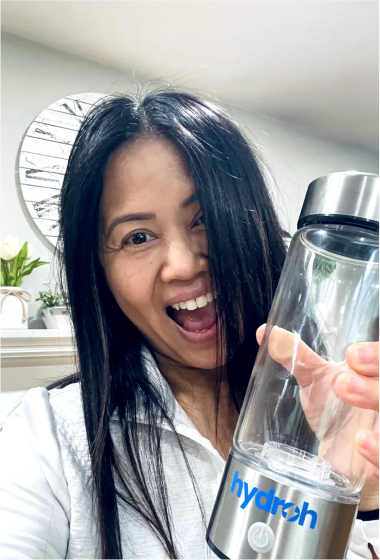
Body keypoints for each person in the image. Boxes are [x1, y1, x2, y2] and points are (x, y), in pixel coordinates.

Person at [0, 90, 379, 560]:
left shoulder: (335, 412)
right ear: (100, 271)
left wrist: (364, 501)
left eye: (204, 219)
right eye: (137, 237)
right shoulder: (49, 438)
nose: (182, 265)